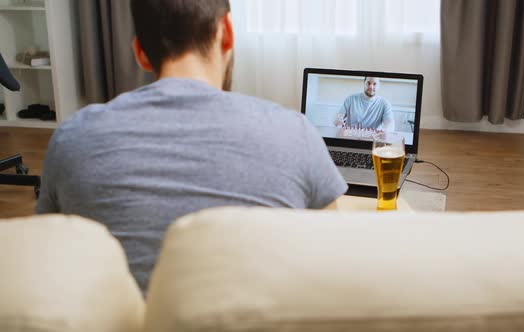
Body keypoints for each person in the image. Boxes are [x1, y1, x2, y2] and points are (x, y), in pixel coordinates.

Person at [36, 0, 347, 292]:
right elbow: (330, 260)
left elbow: (52, 262)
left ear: (140, 52)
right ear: (227, 32)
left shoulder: (72, 139)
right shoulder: (295, 133)